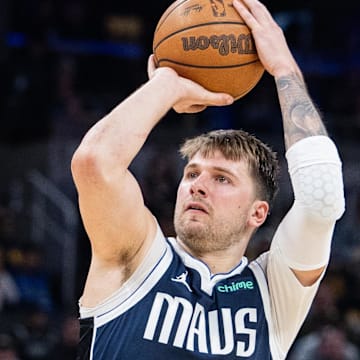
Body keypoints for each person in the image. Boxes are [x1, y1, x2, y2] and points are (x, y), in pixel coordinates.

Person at [71, 0, 345, 358]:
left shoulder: (272, 292)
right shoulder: (137, 254)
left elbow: (321, 200)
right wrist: (168, 85)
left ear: (257, 213)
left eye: (222, 179)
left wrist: (283, 67)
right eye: (192, 173)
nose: (198, 185)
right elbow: (95, 164)